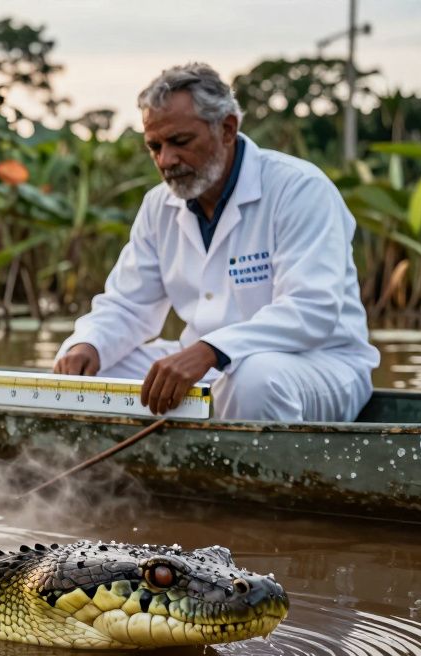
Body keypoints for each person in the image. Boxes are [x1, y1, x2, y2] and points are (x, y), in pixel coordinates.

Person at [53, 63, 378, 422]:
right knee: (87, 376)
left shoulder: (299, 188)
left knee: (254, 380)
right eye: (154, 146)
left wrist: (211, 349)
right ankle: (118, 476)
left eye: (180, 142)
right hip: (206, 364)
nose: (166, 160)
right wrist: (88, 343)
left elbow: (311, 308)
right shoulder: (158, 205)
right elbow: (128, 305)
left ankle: (264, 480)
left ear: (226, 129)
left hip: (317, 366)